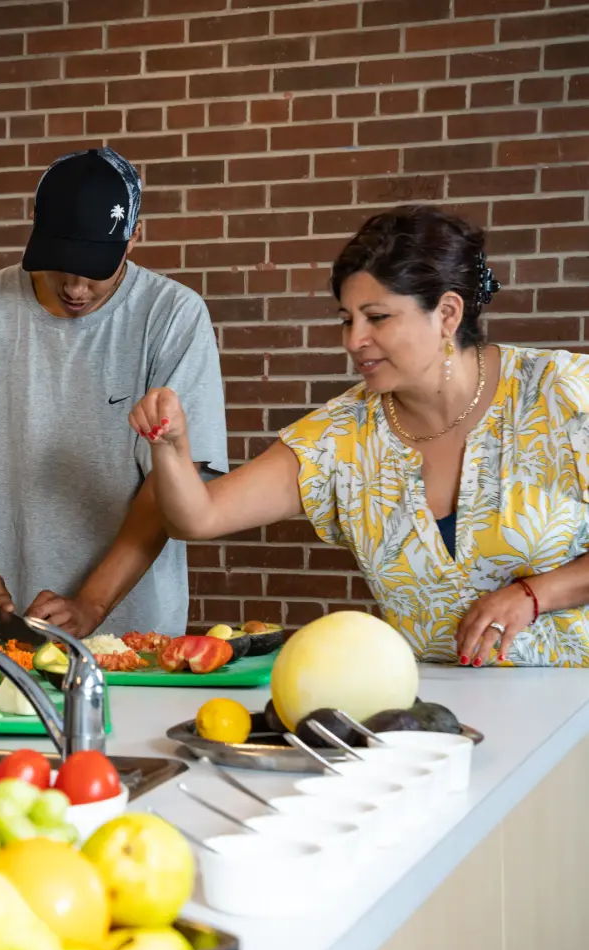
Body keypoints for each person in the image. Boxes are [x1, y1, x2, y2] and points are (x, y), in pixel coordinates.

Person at [131, 204, 589, 666]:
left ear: (447, 313)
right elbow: (198, 518)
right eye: (347, 319)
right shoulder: (340, 436)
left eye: (377, 317)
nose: (353, 340)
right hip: (442, 715)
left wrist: (535, 594)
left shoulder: (564, 392)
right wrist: (171, 447)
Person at [0, 148, 228, 640]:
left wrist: (91, 603)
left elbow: (172, 484)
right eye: (60, 265)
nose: (75, 287)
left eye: (94, 268)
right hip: (4, 632)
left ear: (135, 235)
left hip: (133, 638)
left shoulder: (173, 316)